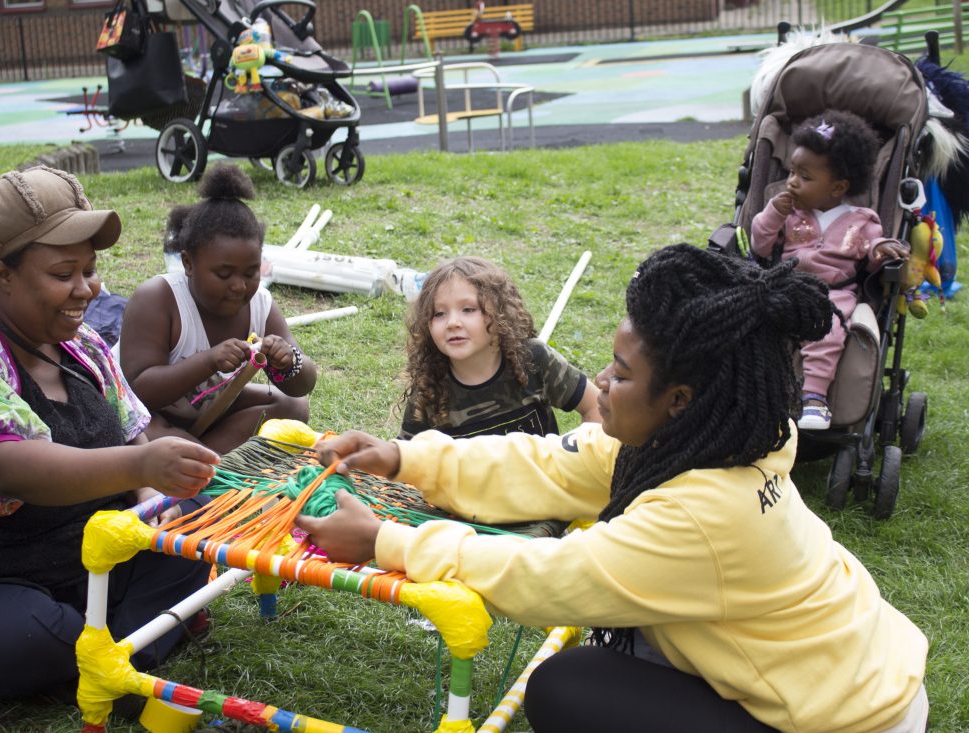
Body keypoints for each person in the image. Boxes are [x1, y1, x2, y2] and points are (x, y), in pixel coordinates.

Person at [296, 244, 929, 733]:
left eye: (621, 375)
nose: (601, 381)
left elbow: (550, 577)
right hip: (850, 668)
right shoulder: (720, 438)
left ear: (678, 400)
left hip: (850, 719)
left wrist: (386, 541)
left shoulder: (703, 515)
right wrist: (405, 457)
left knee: (567, 689)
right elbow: (549, 463)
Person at [0, 166, 221, 701]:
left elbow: (134, 430)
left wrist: (152, 494)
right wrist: (140, 467)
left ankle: (113, 657)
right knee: (25, 642)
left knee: (198, 514)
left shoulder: (81, 346)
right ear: (5, 273)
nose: (87, 289)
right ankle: (128, 642)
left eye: (90, 270)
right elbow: (4, 467)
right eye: (65, 273)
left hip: (84, 553)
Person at [120, 163, 317, 455]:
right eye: (224, 275)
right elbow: (140, 389)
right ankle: (205, 463)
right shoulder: (159, 299)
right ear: (188, 263)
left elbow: (303, 384)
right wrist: (208, 361)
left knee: (292, 407)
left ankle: (206, 461)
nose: (239, 286)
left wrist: (289, 362)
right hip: (144, 416)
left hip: (207, 410)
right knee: (148, 432)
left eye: (250, 272)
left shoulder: (260, 304)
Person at [751, 109, 908, 430]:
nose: (793, 181)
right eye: (792, 172)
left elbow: (873, 253)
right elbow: (761, 246)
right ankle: (752, 394)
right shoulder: (789, 212)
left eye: (805, 177)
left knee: (828, 329)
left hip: (834, 294)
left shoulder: (862, 219)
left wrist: (881, 249)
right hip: (787, 285)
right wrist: (771, 215)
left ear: (838, 188)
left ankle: (815, 398)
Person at [398, 256, 599, 439]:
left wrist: (576, 459)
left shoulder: (534, 359)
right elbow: (406, 459)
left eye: (468, 309)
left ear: (500, 314)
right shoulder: (430, 388)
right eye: (439, 313)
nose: (452, 322)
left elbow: (596, 406)